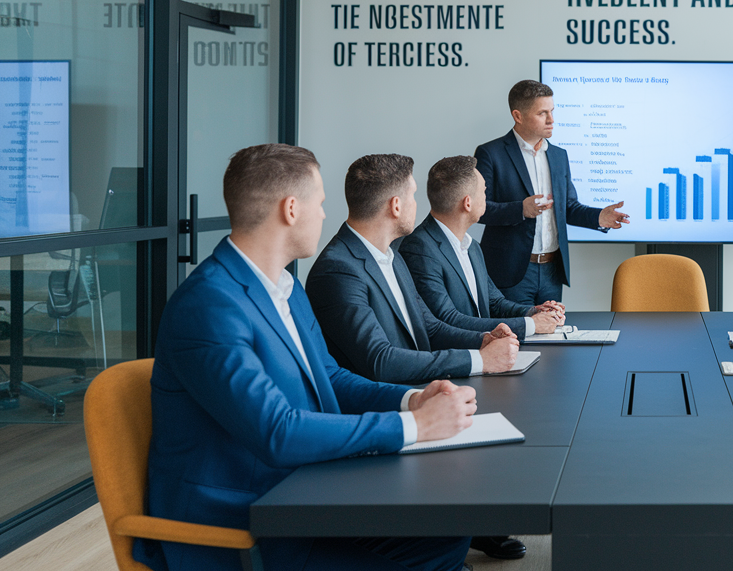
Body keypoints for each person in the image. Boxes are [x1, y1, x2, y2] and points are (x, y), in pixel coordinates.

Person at [138, 144, 477, 571]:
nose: (324, 214)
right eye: (319, 203)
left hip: (302, 492)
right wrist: (414, 426)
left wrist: (412, 399)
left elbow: (330, 378)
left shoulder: (286, 286)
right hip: (246, 527)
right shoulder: (207, 305)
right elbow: (276, 431)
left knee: (448, 531)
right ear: (291, 209)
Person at [307, 153, 521, 384]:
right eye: (413, 195)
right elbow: (381, 360)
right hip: (390, 407)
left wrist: (483, 340)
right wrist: (479, 360)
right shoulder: (337, 270)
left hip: (427, 391)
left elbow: (431, 329)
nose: (418, 204)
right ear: (395, 206)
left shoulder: (393, 257)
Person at [474, 79, 629, 307]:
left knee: (551, 339)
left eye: (552, 111)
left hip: (552, 272)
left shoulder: (559, 155)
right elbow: (479, 209)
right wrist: (521, 209)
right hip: (510, 273)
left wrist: (599, 217)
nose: (552, 120)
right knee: (515, 340)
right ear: (518, 116)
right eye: (543, 113)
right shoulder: (490, 153)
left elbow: (568, 207)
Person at [400, 155, 566, 342]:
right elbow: (447, 319)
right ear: (467, 203)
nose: (487, 198)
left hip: (491, 349)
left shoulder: (472, 247)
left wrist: (534, 311)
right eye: (484, 192)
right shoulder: (419, 248)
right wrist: (531, 325)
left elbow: (495, 302)